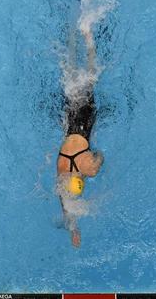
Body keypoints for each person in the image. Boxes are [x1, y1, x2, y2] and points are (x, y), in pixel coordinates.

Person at [56, 29, 103, 248]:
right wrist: (72, 227)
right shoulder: (62, 166)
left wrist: (93, 165)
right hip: (70, 120)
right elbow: (63, 202)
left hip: (85, 122)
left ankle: (87, 35)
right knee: (73, 77)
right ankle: (74, 38)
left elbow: (100, 156)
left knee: (90, 76)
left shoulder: (88, 168)